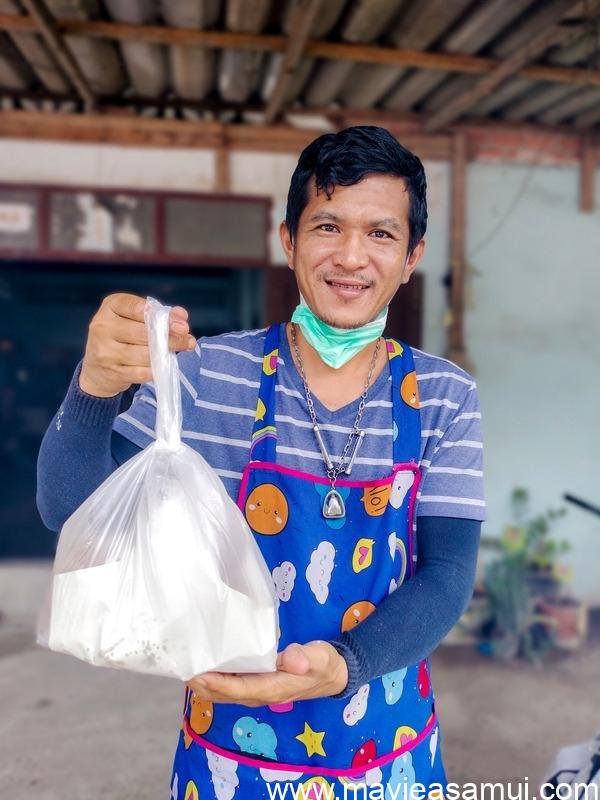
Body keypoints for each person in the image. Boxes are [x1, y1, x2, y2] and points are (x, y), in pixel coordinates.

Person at [37, 126, 485, 799]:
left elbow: (448, 574)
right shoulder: (210, 376)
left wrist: (345, 665)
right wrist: (95, 387)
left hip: (389, 751)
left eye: (382, 234)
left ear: (413, 255)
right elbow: (71, 513)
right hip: (232, 756)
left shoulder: (445, 397)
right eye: (328, 225)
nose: (352, 257)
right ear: (289, 240)